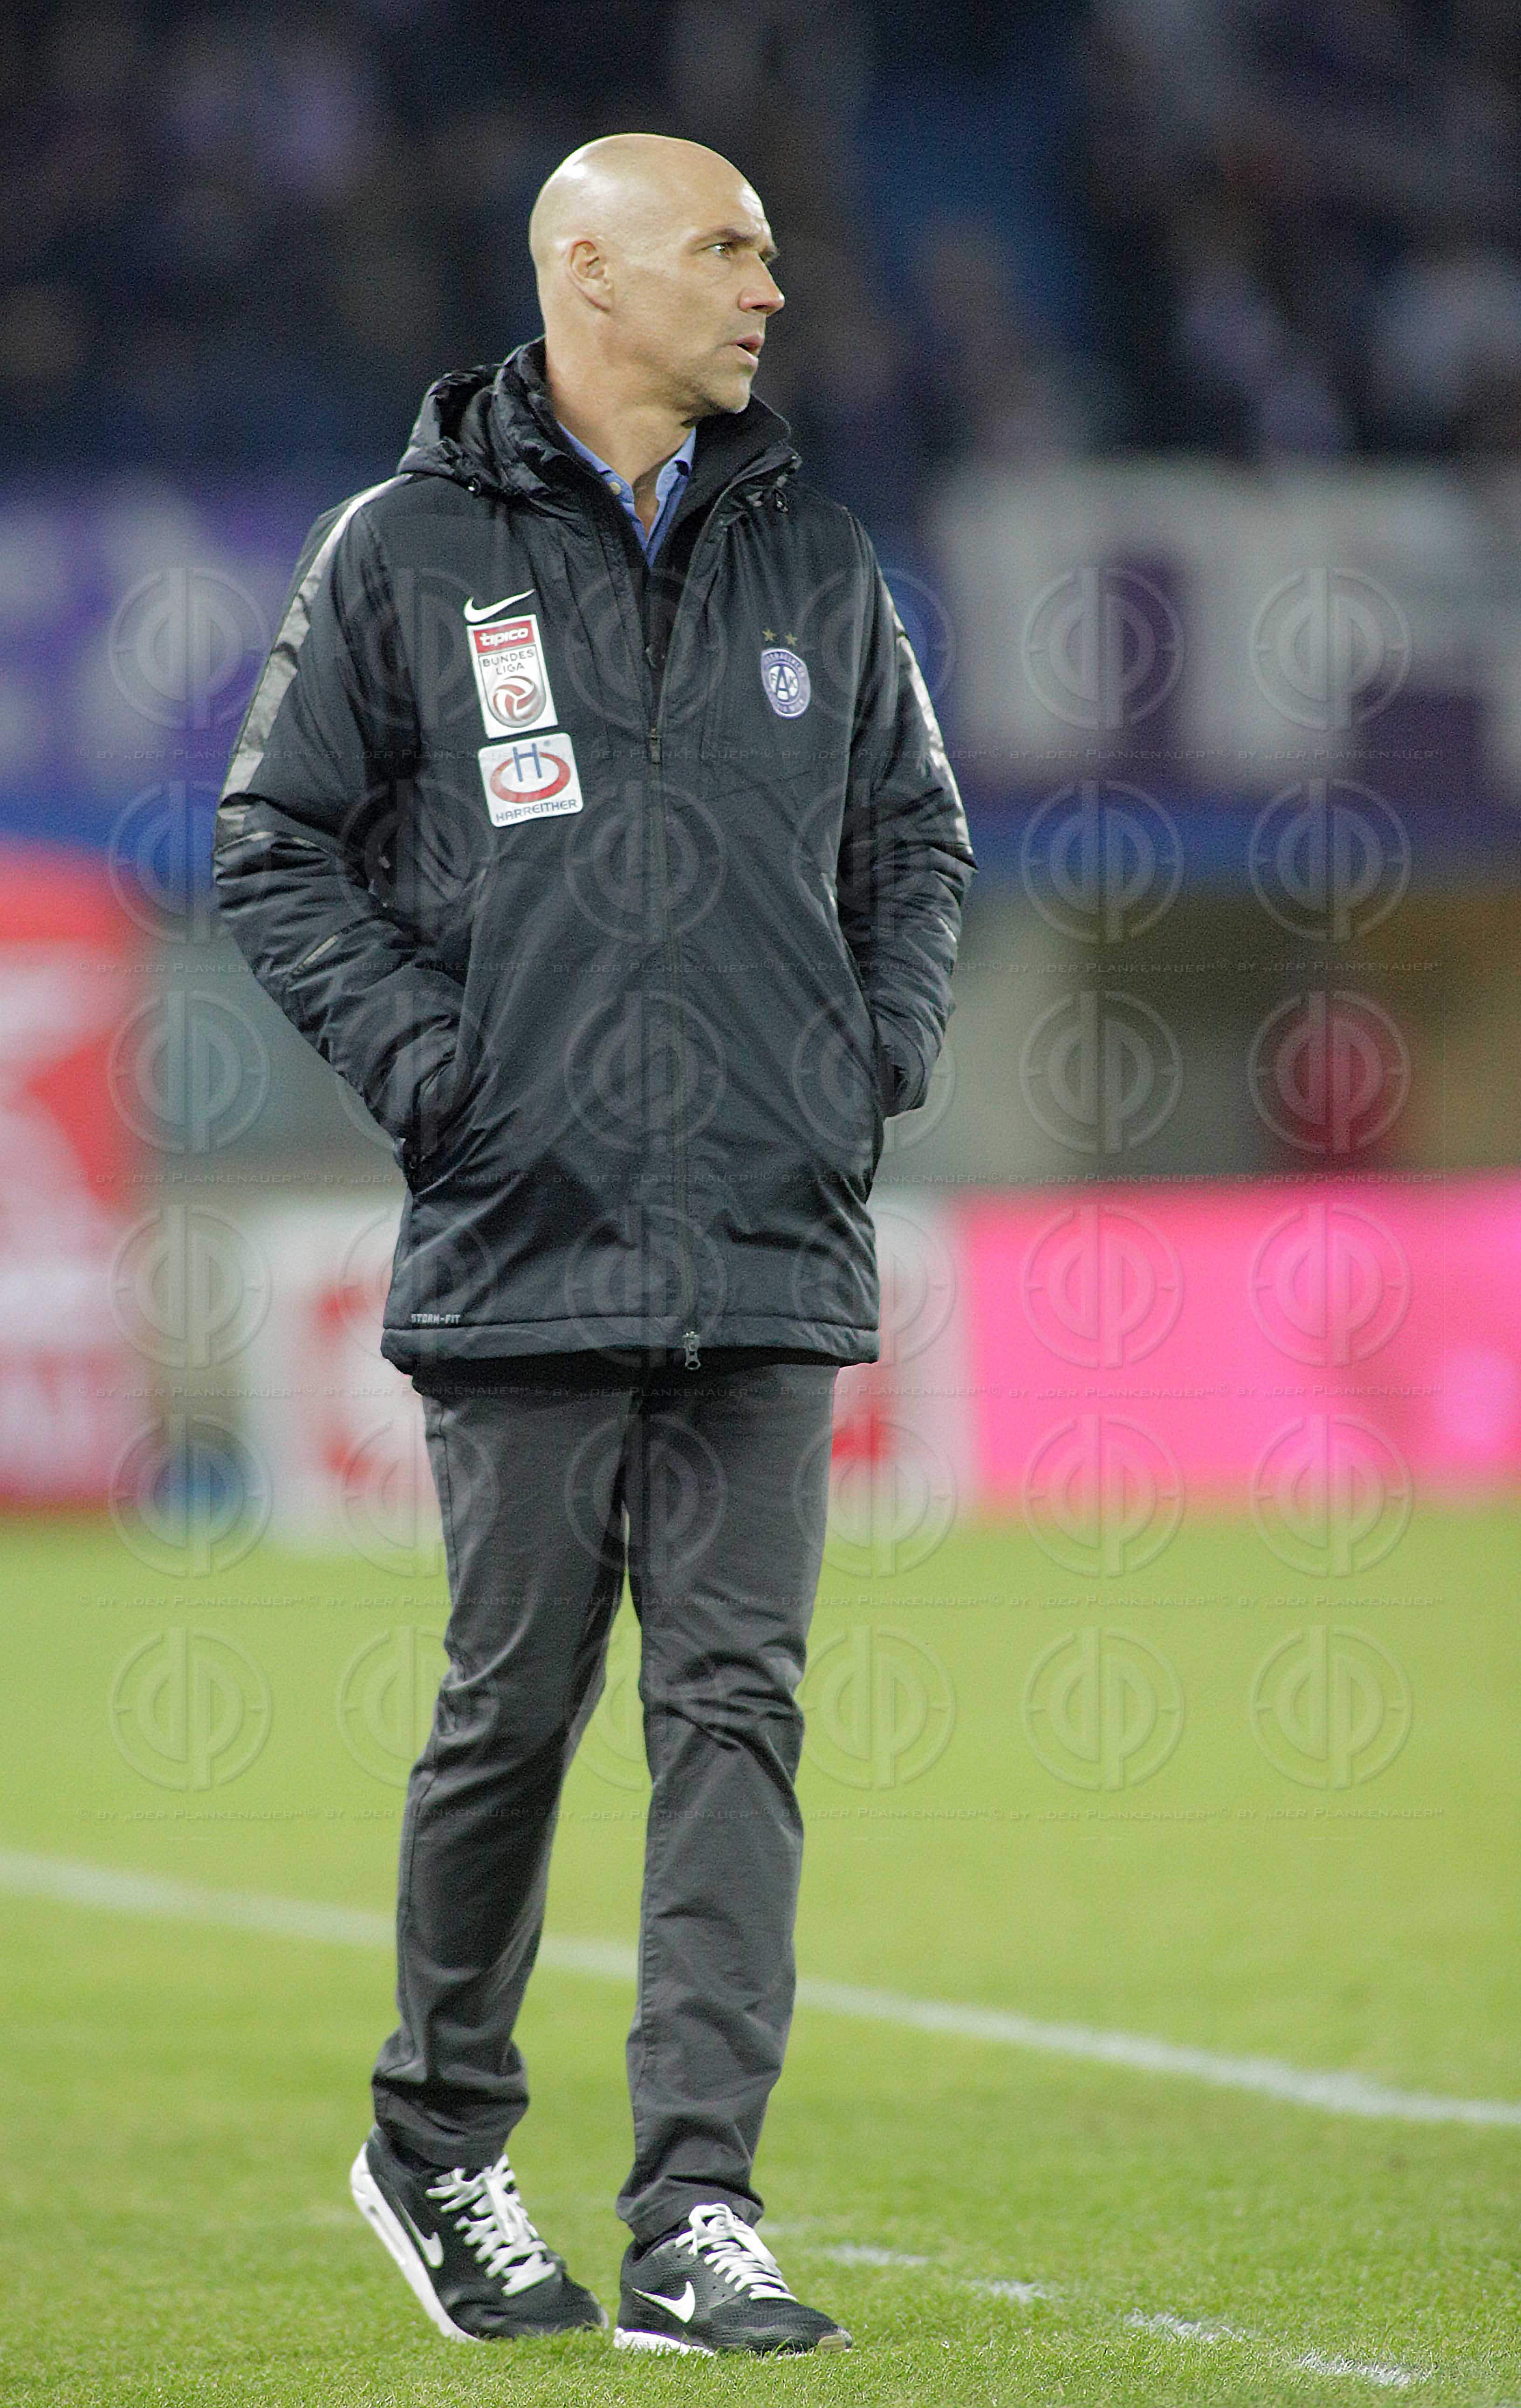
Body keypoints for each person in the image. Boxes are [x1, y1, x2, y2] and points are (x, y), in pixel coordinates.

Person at [212, 131, 973, 2357]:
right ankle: (439, 2137)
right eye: (725, 247)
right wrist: (442, 1076)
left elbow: (915, 837)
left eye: (761, 246)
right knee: (511, 1711)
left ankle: (693, 2214)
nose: (768, 285)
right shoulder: (402, 552)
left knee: (737, 1712)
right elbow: (275, 847)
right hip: (525, 1225)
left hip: (765, 1230)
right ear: (589, 271)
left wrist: (872, 1054)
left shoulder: (821, 549)